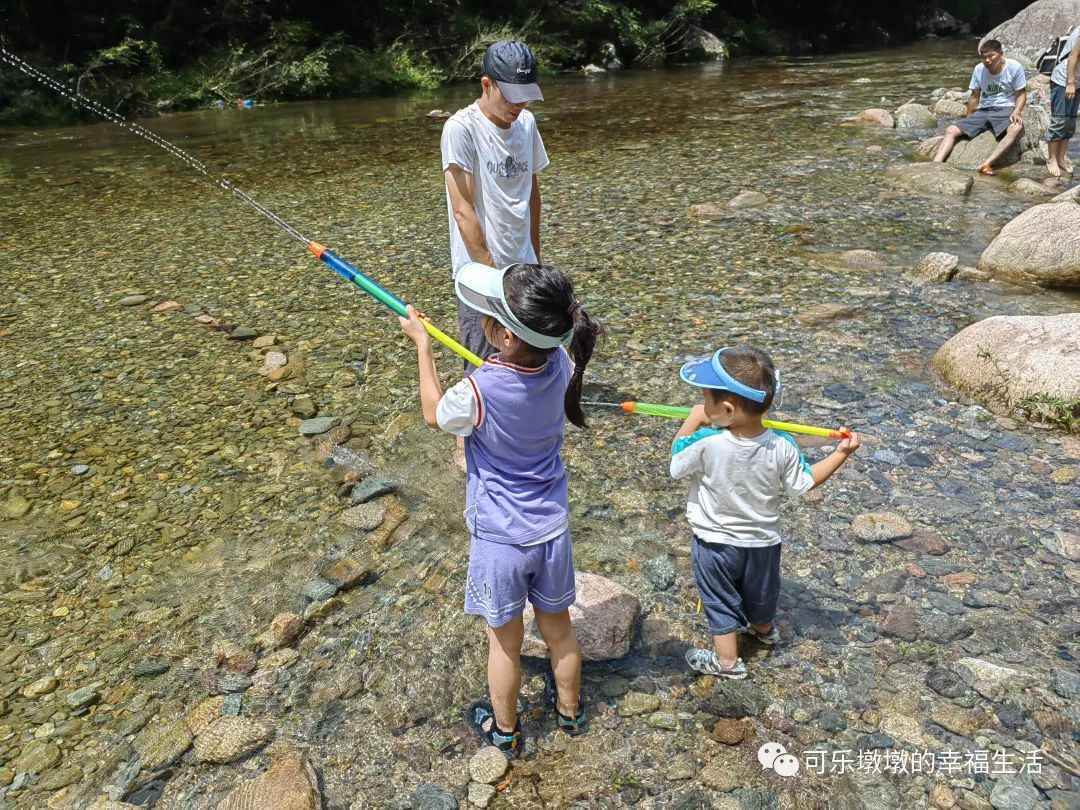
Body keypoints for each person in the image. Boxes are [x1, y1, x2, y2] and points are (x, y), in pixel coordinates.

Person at [398, 261, 603, 756]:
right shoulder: (563, 364)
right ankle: (571, 716)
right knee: (559, 631)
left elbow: (433, 413)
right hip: (552, 531)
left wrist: (423, 347)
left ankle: (505, 730)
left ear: (504, 336)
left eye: (491, 315)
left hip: (501, 539)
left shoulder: (476, 390)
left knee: (506, 644)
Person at [670, 346, 860, 679]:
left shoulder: (705, 443)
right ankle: (763, 630)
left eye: (706, 400)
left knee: (719, 601)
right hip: (763, 544)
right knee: (761, 592)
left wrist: (692, 420)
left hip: (715, 546)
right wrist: (841, 453)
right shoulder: (783, 444)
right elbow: (804, 482)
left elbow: (676, 463)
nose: (702, 405)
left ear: (726, 410)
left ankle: (727, 663)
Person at [440, 40, 549, 372]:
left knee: (532, 366)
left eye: (525, 96)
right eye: (510, 97)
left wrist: (536, 259)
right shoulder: (461, 130)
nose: (518, 106)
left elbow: (532, 193)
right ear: (487, 84)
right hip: (482, 278)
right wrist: (492, 278)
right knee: (484, 372)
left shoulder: (527, 124)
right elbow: (463, 210)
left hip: (524, 271)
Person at [933, 39, 1027, 176]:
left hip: (1005, 108)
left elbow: (1021, 94)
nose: (987, 60)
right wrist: (968, 120)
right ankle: (935, 164)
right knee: (951, 130)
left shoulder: (1015, 67)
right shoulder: (979, 69)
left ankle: (986, 163)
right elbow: (974, 96)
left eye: (991, 56)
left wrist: (1017, 111)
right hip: (985, 109)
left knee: (1016, 128)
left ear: (1001, 54)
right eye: (984, 57)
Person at [1046, 27, 1080, 177]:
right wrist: (1070, 83)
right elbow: (1073, 55)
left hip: (1077, 82)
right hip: (1064, 81)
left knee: (1070, 122)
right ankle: (1051, 159)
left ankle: (1060, 158)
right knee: (1060, 120)